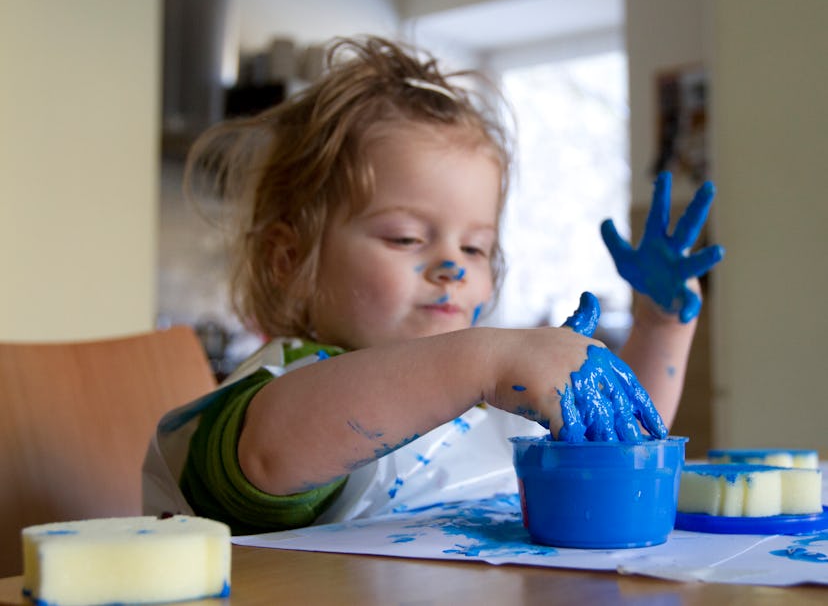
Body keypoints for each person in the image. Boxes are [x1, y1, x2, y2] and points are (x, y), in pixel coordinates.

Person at [143, 36, 724, 534]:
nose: (453, 267)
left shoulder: (490, 408)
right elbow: (269, 454)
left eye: (475, 247)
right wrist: (484, 358)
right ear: (292, 261)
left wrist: (661, 326)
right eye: (404, 238)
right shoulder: (282, 389)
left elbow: (617, 448)